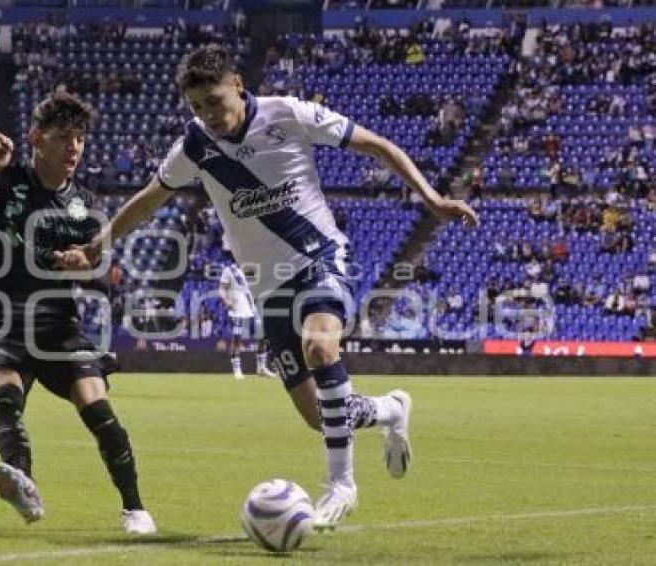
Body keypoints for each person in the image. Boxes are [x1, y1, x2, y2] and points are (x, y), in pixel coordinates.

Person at [55, 44, 478, 529]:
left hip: (321, 258)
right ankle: (389, 409)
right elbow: (150, 199)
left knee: (320, 347)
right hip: (268, 290)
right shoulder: (194, 146)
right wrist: (96, 247)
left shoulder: (288, 114)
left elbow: (376, 145)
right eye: (196, 107)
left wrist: (431, 198)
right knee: (320, 416)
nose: (207, 115)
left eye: (214, 101)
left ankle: (341, 484)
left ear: (237, 85)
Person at [0, 91, 156, 534]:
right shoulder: (6, 181)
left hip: (56, 324)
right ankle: (25, 486)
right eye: (64, 138)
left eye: (79, 138)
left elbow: (100, 274)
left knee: (97, 406)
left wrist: (86, 265)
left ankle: (135, 508)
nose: (74, 147)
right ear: (36, 139)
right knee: (4, 396)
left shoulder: (85, 204)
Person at [218, 253, 277, 380]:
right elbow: (222, 288)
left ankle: (261, 367)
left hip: (251, 308)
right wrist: (227, 301)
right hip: (236, 310)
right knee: (237, 338)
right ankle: (237, 369)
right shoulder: (229, 270)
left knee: (263, 335)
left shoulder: (251, 270)